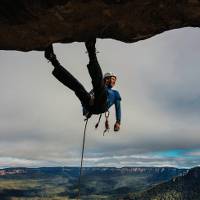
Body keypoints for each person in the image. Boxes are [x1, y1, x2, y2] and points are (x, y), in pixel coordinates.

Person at [44, 39, 121, 131]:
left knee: (98, 86)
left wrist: (118, 122)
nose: (112, 81)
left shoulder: (115, 93)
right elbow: (84, 99)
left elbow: (118, 107)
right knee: (78, 87)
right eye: (110, 79)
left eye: (114, 79)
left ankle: (91, 51)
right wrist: (86, 110)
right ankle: (53, 60)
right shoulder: (96, 88)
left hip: (102, 105)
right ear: (105, 79)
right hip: (92, 106)